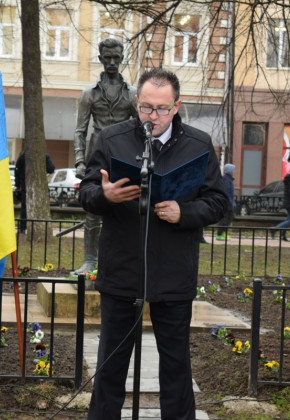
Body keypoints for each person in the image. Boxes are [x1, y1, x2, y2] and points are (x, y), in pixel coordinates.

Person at [79, 68, 227, 419]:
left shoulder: (198, 144)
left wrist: (184, 212)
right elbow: (86, 193)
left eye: (161, 109)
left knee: (176, 365)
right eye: (146, 107)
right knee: (111, 363)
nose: (153, 116)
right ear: (136, 103)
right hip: (122, 269)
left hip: (173, 270)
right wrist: (105, 195)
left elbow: (218, 201)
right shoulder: (112, 139)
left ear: (176, 106)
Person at [73, 37, 139, 277]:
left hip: (124, 156)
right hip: (97, 156)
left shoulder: (132, 94)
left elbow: (142, 128)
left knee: (126, 207)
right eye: (107, 58)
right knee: (92, 210)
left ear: (122, 59)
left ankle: (120, 262)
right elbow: (80, 131)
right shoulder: (88, 94)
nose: (112, 62)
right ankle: (90, 260)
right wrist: (80, 161)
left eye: (116, 58)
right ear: (100, 59)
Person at [14, 149, 55, 234]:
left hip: (26, 184)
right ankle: (38, 226)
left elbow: (17, 170)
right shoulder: (44, 154)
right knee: (39, 205)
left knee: (25, 207)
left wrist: (18, 185)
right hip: (39, 185)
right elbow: (51, 169)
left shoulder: (23, 155)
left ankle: (22, 228)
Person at [216, 163, 236, 241]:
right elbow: (227, 193)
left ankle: (223, 232)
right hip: (227, 204)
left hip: (229, 203)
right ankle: (219, 234)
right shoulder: (226, 180)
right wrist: (230, 203)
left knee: (229, 218)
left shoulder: (228, 179)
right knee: (225, 219)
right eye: (233, 170)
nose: (234, 171)